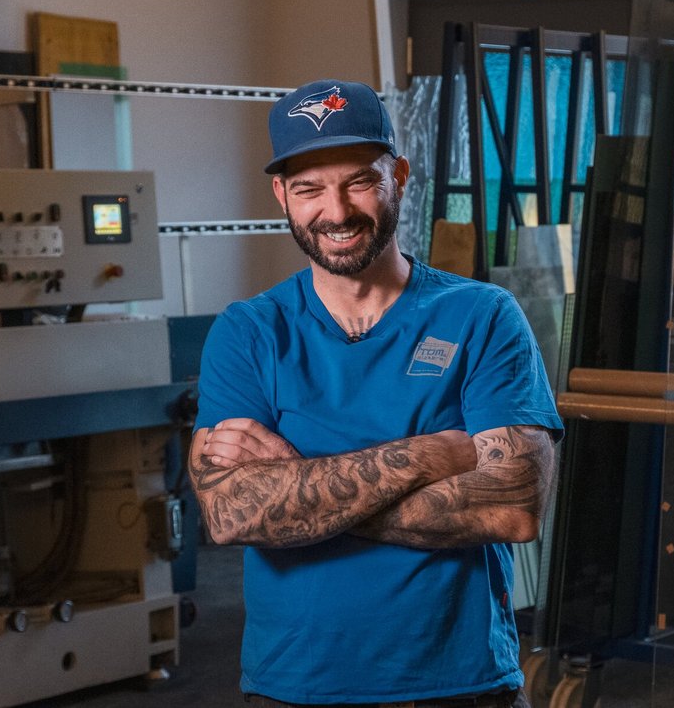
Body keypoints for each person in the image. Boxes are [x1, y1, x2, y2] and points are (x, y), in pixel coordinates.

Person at [188, 79, 564, 707]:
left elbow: (512, 508)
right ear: (281, 194)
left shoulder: (482, 315)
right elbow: (232, 514)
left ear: (399, 176)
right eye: (309, 189)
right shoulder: (249, 331)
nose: (335, 212)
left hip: (461, 685)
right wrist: (433, 455)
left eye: (359, 181)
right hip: (296, 687)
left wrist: (301, 493)